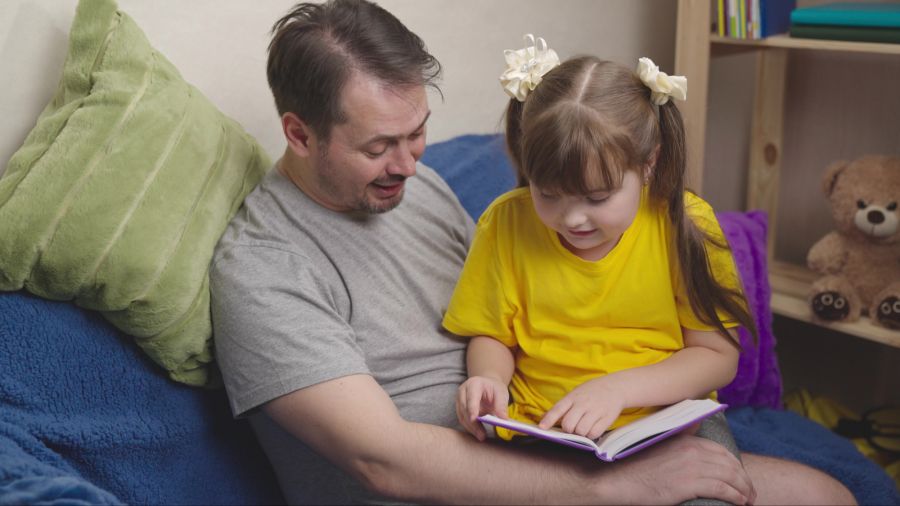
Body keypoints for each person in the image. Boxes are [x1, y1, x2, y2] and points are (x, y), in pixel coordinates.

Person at [209, 0, 856, 504]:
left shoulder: (414, 186)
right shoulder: (263, 268)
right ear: (298, 133)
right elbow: (382, 462)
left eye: (419, 132)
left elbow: (512, 308)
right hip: (475, 487)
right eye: (380, 147)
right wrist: (615, 489)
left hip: (559, 441)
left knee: (828, 496)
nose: (408, 163)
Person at [446, 39, 751, 453]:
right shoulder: (505, 222)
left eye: (597, 198)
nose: (572, 219)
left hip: (666, 423)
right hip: (542, 425)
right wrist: (488, 379)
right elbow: (491, 335)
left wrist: (618, 390)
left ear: (648, 164)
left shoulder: (685, 223)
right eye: (549, 194)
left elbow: (717, 356)